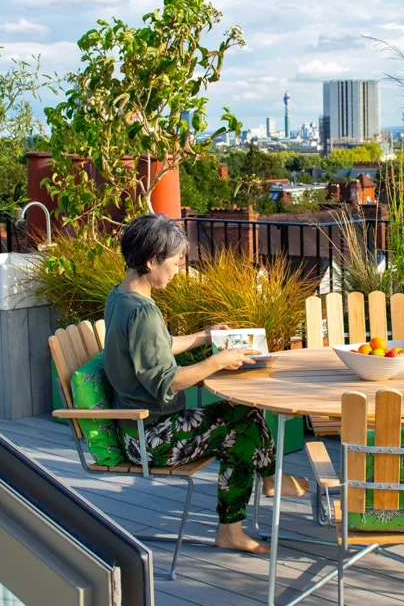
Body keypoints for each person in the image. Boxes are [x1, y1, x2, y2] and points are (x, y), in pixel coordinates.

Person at [104, 213, 306, 554]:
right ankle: (261, 489)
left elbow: (158, 346)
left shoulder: (122, 297)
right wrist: (216, 361)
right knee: (241, 425)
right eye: (174, 262)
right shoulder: (142, 312)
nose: (177, 269)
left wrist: (202, 337)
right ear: (151, 261)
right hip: (150, 437)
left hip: (140, 426)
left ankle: (257, 496)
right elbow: (166, 381)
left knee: (241, 418)